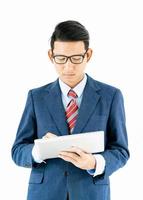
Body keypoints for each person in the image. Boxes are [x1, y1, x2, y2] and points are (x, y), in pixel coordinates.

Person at [11, 20, 129, 200]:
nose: (68, 67)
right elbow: (18, 151)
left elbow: (121, 150)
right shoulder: (36, 97)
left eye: (76, 58)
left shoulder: (111, 96)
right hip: (44, 194)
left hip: (90, 193)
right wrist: (40, 150)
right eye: (61, 58)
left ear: (88, 55)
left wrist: (95, 162)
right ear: (51, 56)